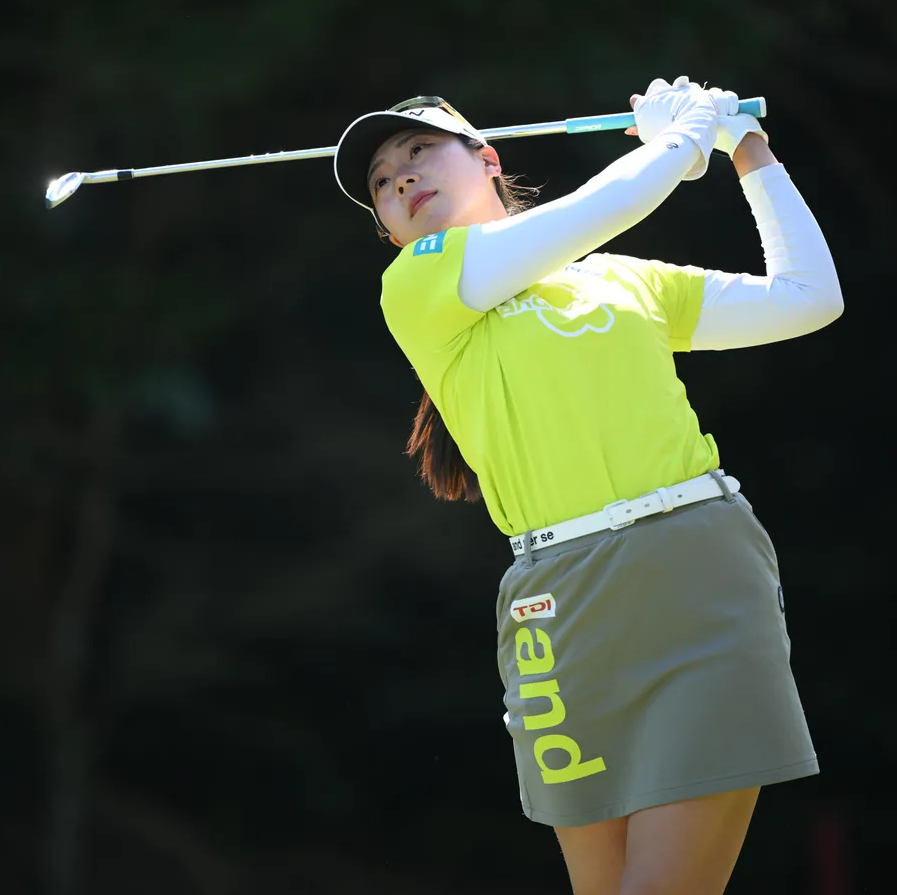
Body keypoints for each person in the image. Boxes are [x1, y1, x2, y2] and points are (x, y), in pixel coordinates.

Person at [331, 77, 843, 894]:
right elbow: (596, 211)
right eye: (383, 183)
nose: (402, 178)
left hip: (696, 569)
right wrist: (679, 140)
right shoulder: (417, 286)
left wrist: (747, 149)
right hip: (555, 600)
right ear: (391, 231)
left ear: (486, 158)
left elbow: (807, 298)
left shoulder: (619, 279)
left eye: (419, 150)